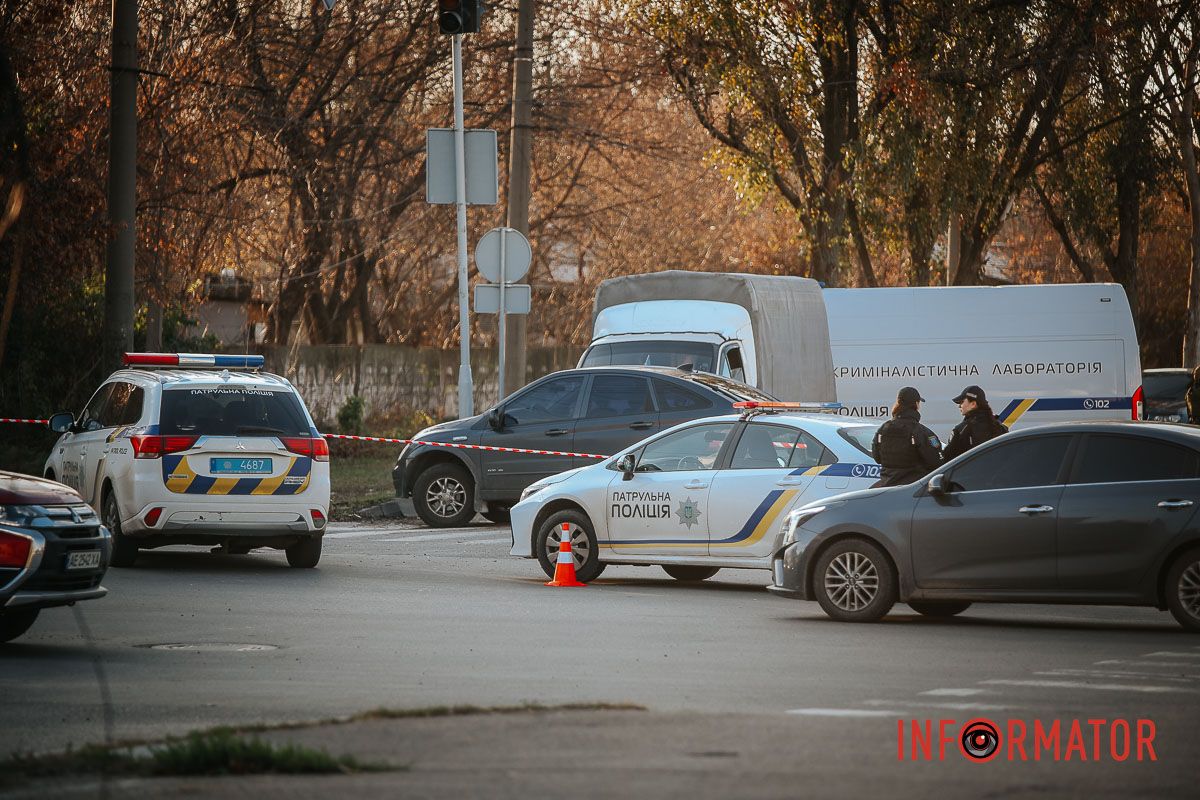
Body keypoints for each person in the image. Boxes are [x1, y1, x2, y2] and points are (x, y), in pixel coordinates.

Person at [871, 386, 943, 487]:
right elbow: (936, 462)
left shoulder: (884, 429)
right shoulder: (923, 432)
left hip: (886, 487)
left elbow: (877, 457)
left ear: (898, 403)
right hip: (914, 490)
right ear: (917, 404)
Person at [942, 385, 1007, 462]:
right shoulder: (1000, 428)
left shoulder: (962, 430)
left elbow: (947, 460)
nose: (959, 406)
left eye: (962, 402)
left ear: (973, 404)